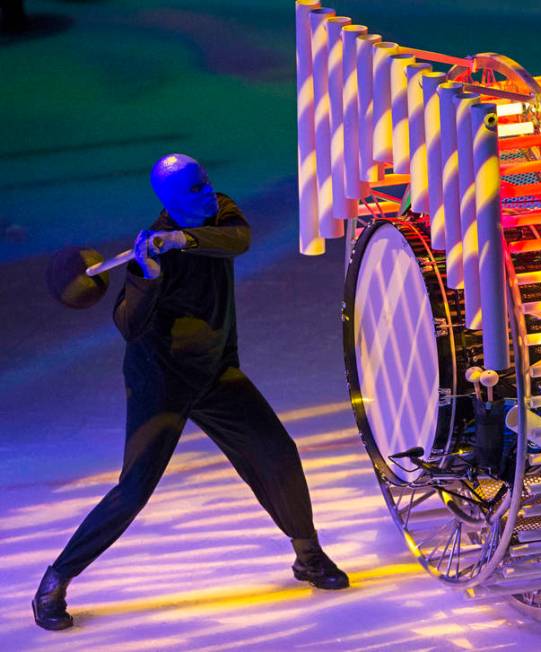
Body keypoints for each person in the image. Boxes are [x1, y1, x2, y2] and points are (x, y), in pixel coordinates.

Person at [32, 153, 348, 631]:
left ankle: (307, 555)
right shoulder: (151, 254)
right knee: (134, 489)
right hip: (161, 384)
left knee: (277, 452)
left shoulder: (219, 214)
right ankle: (55, 579)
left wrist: (184, 238)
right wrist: (148, 276)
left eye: (205, 184)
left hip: (216, 374)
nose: (207, 195)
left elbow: (239, 240)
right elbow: (129, 325)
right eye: (194, 193)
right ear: (169, 203)